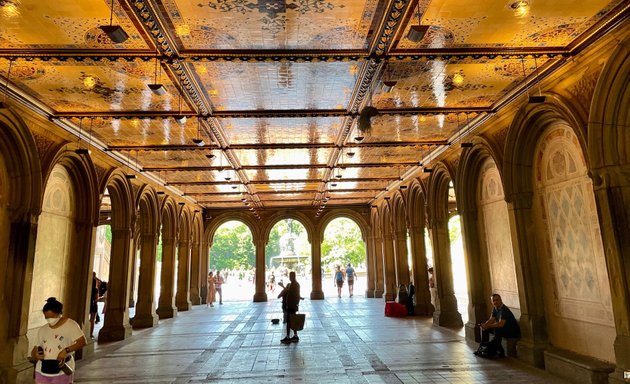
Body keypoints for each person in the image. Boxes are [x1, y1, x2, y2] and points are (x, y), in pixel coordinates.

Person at [30, 297, 87, 384]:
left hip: (62, 370)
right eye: (47, 318)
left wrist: (66, 351)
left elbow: (82, 342)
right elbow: (35, 348)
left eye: (52, 317)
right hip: (42, 370)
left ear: (59, 314)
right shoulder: (43, 329)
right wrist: (35, 355)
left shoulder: (71, 325)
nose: (50, 320)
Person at [281, 271, 301, 344]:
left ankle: (288, 337)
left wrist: (282, 286)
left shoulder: (294, 284)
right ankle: (295, 335)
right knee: (293, 320)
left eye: (290, 276)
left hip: (291, 305)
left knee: (289, 321)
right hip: (293, 305)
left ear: (292, 276)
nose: (289, 278)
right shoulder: (296, 284)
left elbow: (290, 293)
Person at [89, 272, 101, 338]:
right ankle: (90, 334)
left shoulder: (87, 288)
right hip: (93, 305)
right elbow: (96, 299)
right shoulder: (95, 290)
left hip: (88, 304)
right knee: (92, 320)